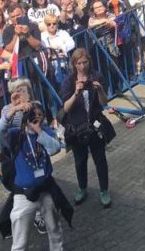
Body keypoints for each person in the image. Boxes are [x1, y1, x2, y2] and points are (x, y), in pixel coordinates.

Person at [0, 101, 69, 251]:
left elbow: (55, 149)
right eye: (33, 115)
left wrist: (39, 132)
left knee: (54, 229)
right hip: (24, 195)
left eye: (39, 115)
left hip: (46, 191)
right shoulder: (16, 134)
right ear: (26, 118)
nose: (36, 118)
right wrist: (14, 110)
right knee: (20, 239)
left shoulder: (45, 132)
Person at [60, 48, 112, 208]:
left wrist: (100, 90)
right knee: (80, 160)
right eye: (79, 63)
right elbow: (65, 108)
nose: (82, 66)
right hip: (77, 126)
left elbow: (104, 102)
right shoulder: (69, 81)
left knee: (100, 159)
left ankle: (104, 190)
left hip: (94, 124)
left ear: (89, 61)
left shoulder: (97, 76)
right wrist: (76, 93)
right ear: (74, 64)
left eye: (85, 62)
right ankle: (82, 188)